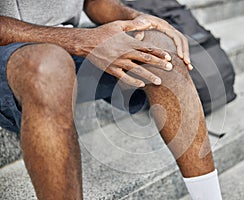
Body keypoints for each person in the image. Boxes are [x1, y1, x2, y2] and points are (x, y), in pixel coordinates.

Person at [0, 0, 222, 199]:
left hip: (65, 38)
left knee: (160, 48)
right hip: (21, 50)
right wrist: (78, 39)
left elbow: (95, 2)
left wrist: (135, 19)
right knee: (49, 66)